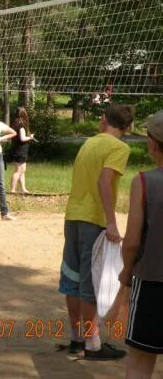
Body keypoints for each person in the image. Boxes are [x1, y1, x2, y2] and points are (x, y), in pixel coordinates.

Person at [58, 103, 133, 360]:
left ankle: (77, 338)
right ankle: (92, 344)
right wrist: (111, 222)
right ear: (127, 127)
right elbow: (104, 180)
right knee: (90, 282)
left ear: (104, 120)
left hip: (73, 216)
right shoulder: (120, 147)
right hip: (93, 219)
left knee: (72, 277)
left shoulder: (89, 143)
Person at [119, 110, 163, 378]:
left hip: (151, 283)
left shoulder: (144, 182)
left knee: (140, 361)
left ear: (154, 144)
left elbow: (132, 241)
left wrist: (125, 275)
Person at [9, 106, 35, 194]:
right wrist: (30, 137)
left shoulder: (15, 123)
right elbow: (23, 138)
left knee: (22, 171)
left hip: (18, 149)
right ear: (24, 114)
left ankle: (23, 189)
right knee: (18, 171)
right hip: (20, 150)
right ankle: (12, 189)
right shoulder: (21, 126)